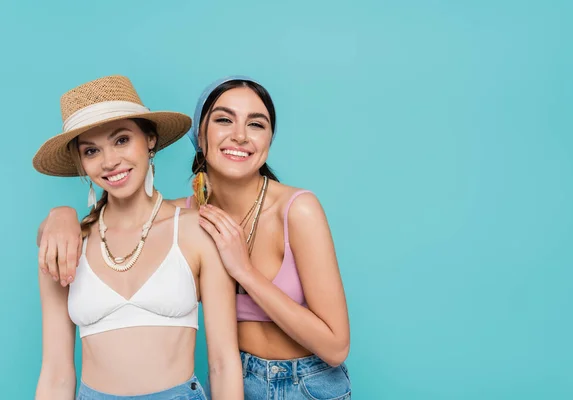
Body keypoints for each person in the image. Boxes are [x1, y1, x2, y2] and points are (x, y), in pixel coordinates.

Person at [38, 76, 351, 399]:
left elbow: (336, 347)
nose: (240, 136)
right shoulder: (190, 216)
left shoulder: (297, 210)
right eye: (224, 120)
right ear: (199, 136)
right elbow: (134, 215)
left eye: (256, 124)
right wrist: (60, 216)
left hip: (304, 382)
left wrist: (243, 271)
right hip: (237, 379)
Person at [33, 75, 243, 400]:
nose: (110, 161)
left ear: (150, 139)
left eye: (121, 140)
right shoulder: (65, 244)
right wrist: (59, 214)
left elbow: (223, 363)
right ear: (81, 163)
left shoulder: (195, 231)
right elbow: (56, 375)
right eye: (91, 150)